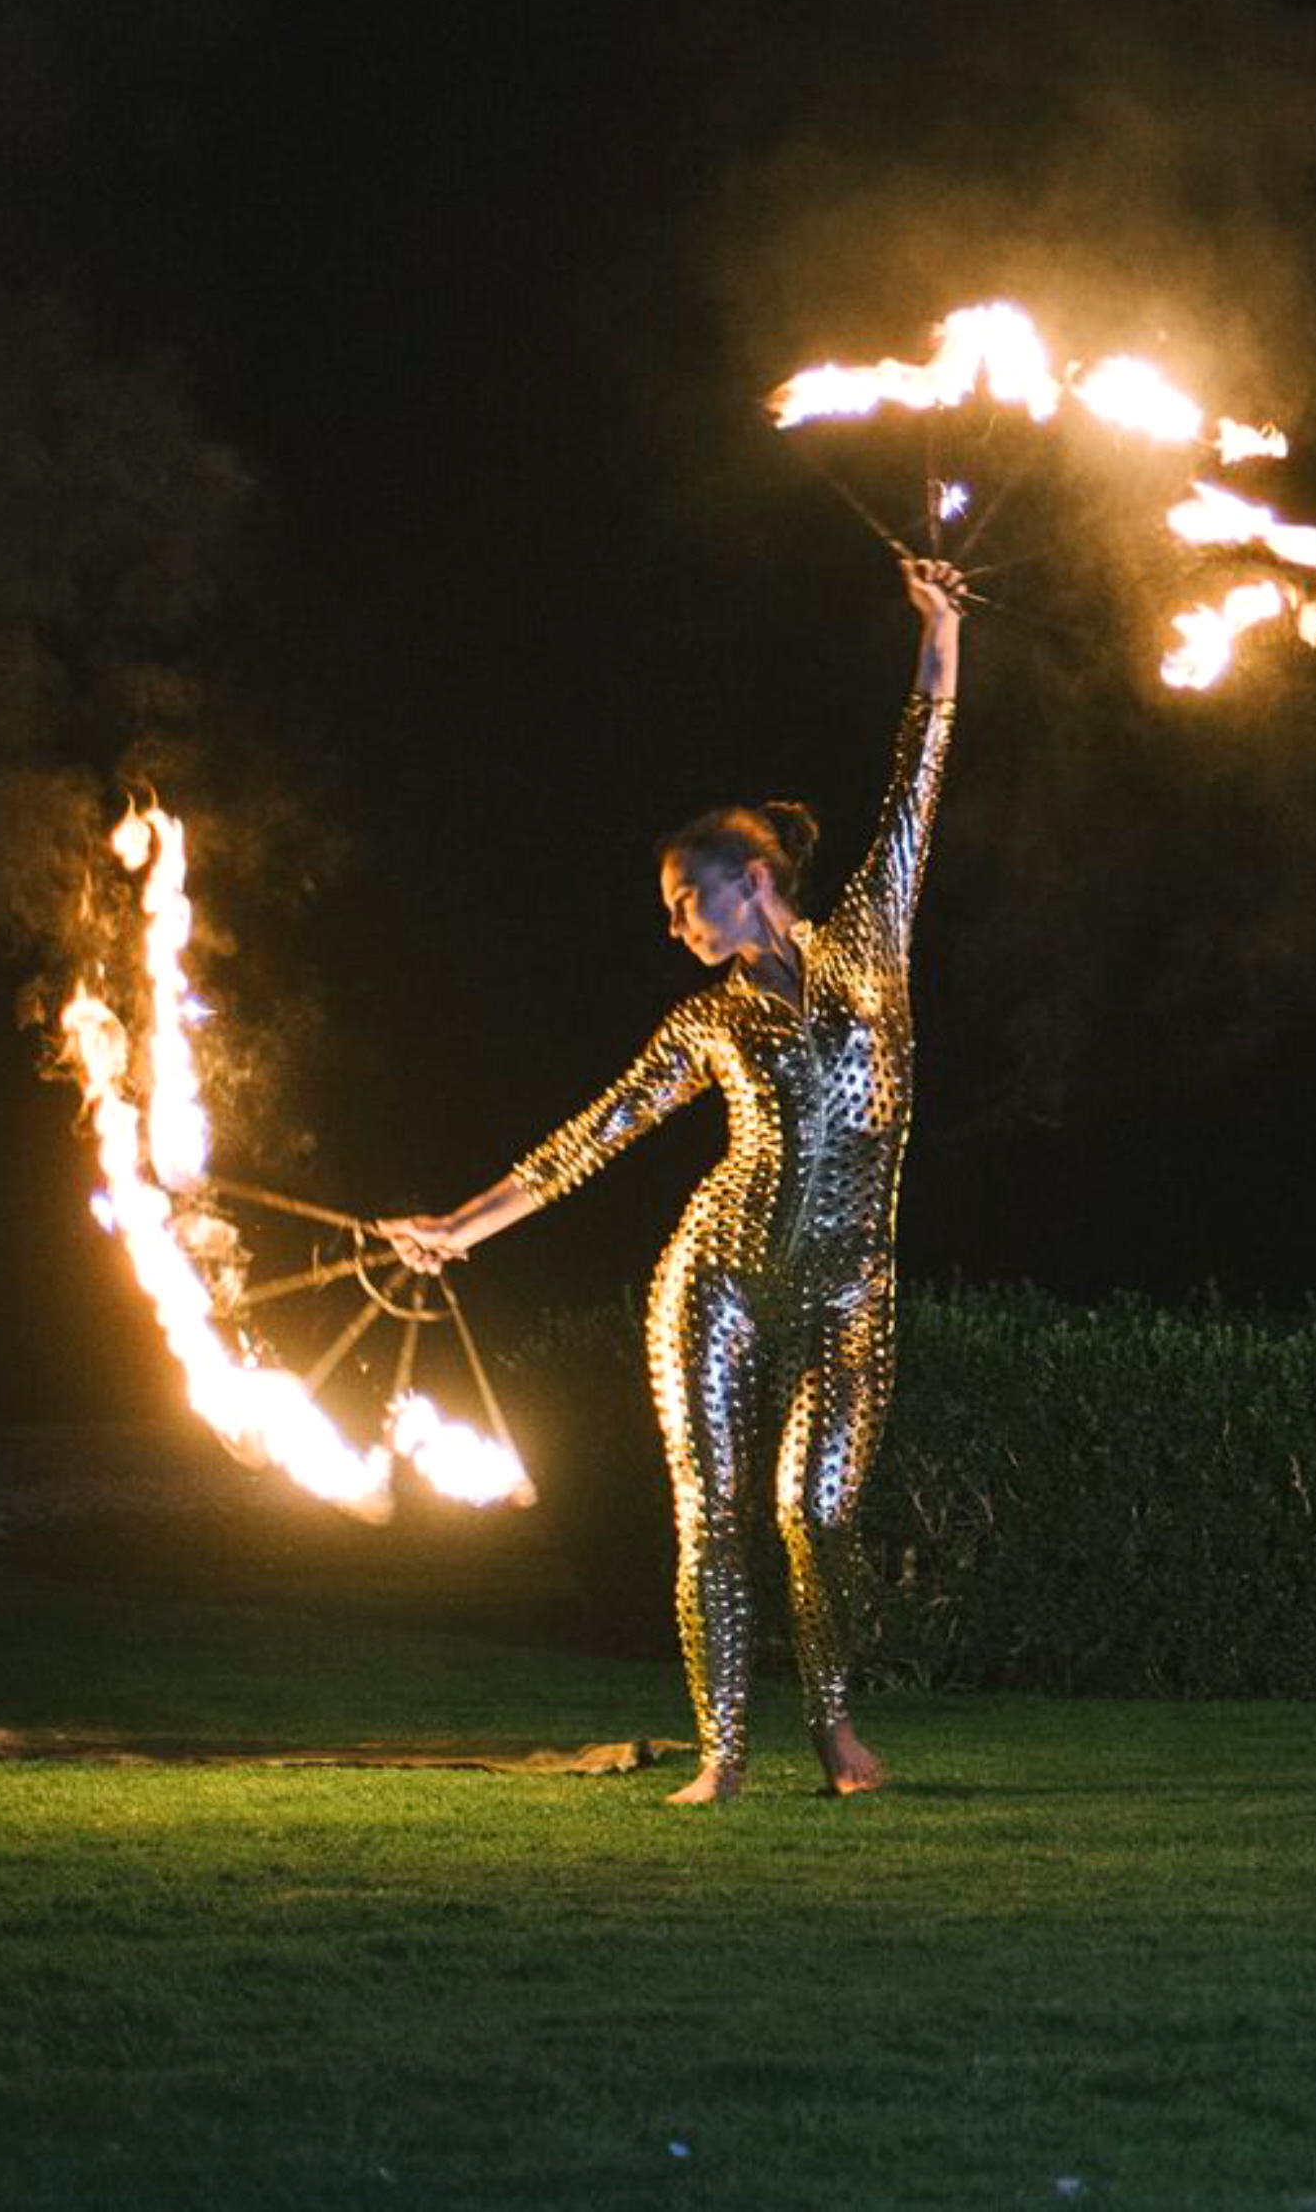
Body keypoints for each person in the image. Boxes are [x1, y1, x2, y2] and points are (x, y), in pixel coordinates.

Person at [379, 552, 964, 1803]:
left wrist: (939, 629)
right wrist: (459, 1228)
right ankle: (721, 1757)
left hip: (849, 1288)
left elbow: (917, 769)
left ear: (751, 884)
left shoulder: (872, 935)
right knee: (711, 1514)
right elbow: (591, 1137)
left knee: (814, 1516)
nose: (673, 925)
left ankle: (837, 1735)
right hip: (718, 1279)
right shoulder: (701, 1022)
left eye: (683, 900)